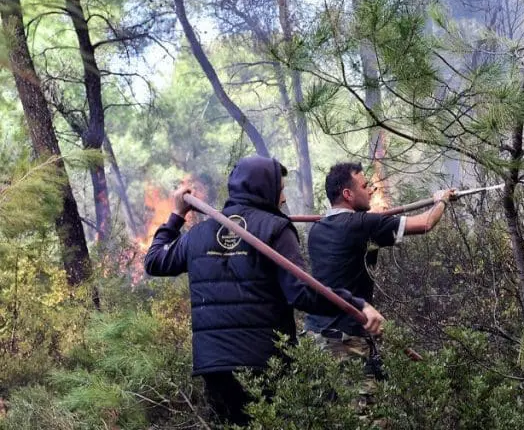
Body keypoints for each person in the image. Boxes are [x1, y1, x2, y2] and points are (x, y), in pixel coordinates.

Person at [144, 156, 385, 426]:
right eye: (280, 189)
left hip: (214, 366)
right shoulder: (275, 229)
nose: (282, 199)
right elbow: (302, 293)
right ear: (265, 190)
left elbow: (154, 260)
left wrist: (177, 216)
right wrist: (356, 304)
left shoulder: (199, 234)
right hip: (265, 364)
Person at [304, 162, 454, 376]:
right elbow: (425, 223)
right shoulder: (364, 224)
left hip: (315, 335)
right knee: (360, 406)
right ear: (348, 194)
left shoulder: (317, 230)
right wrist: (441, 200)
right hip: (347, 339)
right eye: (365, 187)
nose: (371, 192)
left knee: (327, 406)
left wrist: (377, 218)